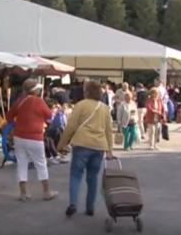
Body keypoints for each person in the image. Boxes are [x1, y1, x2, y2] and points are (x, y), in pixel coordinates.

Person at [57, 81, 113, 217]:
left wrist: (62, 144)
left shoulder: (80, 105)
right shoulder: (105, 108)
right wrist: (109, 150)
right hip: (99, 146)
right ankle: (90, 207)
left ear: (86, 91)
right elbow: (108, 130)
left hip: (81, 144)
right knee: (92, 177)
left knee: (76, 175)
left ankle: (73, 203)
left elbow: (71, 127)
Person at [6, 78, 58, 201]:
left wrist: (14, 126)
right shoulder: (39, 102)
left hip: (19, 136)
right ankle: (46, 191)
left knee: (22, 164)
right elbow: (49, 116)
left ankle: (23, 193)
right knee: (41, 164)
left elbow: (9, 116)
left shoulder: (20, 101)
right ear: (36, 90)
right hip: (35, 137)